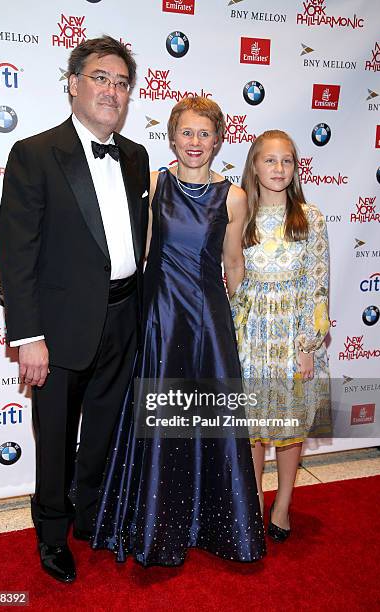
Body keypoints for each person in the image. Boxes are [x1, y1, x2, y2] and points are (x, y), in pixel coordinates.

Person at [0, 36, 150, 582]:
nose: (112, 90)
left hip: (124, 318)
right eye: (101, 78)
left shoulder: (136, 156)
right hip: (58, 328)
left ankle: (93, 518)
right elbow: (17, 254)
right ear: (74, 84)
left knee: (105, 432)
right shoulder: (35, 154)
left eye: (121, 82)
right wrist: (28, 335)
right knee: (57, 438)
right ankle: (53, 536)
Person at [91, 97, 266, 566]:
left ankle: (213, 525)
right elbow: (143, 253)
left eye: (205, 134)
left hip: (209, 323)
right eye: (186, 133)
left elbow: (234, 264)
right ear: (172, 138)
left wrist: (235, 328)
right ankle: (158, 526)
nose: (195, 143)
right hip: (162, 320)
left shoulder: (233, 197)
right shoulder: (153, 185)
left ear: (218, 140)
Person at [231, 130, 330, 542]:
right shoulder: (239, 216)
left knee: (291, 429)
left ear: (295, 168)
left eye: (287, 161)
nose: (279, 169)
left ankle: (283, 504)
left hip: (294, 338)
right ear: (254, 165)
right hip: (250, 337)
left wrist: (309, 344)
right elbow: (232, 277)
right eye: (269, 160)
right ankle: (253, 501)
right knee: (253, 429)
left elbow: (318, 284)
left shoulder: (311, 217)